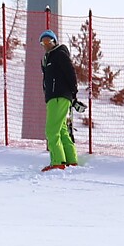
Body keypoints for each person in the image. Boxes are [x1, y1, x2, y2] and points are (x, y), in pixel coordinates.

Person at [39, 29, 80, 171]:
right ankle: (71, 159)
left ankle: (57, 162)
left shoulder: (59, 54)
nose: (45, 44)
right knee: (61, 129)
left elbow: (70, 72)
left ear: (54, 41)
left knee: (51, 130)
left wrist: (73, 92)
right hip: (54, 97)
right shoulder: (47, 58)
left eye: (48, 41)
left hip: (59, 96)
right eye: (43, 42)